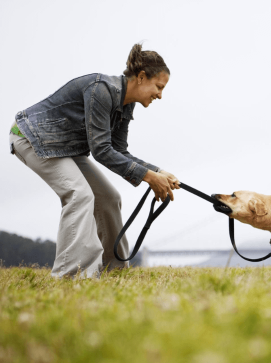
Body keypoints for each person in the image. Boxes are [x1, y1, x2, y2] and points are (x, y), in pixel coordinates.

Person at [9, 43, 179, 278]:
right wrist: (150, 177)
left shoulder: (125, 107)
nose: (160, 95)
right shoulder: (101, 89)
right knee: (80, 195)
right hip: (32, 137)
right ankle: (71, 275)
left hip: (65, 148)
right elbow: (101, 150)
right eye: (159, 87)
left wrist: (158, 171)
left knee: (109, 198)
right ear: (141, 77)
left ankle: (114, 271)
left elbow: (119, 151)